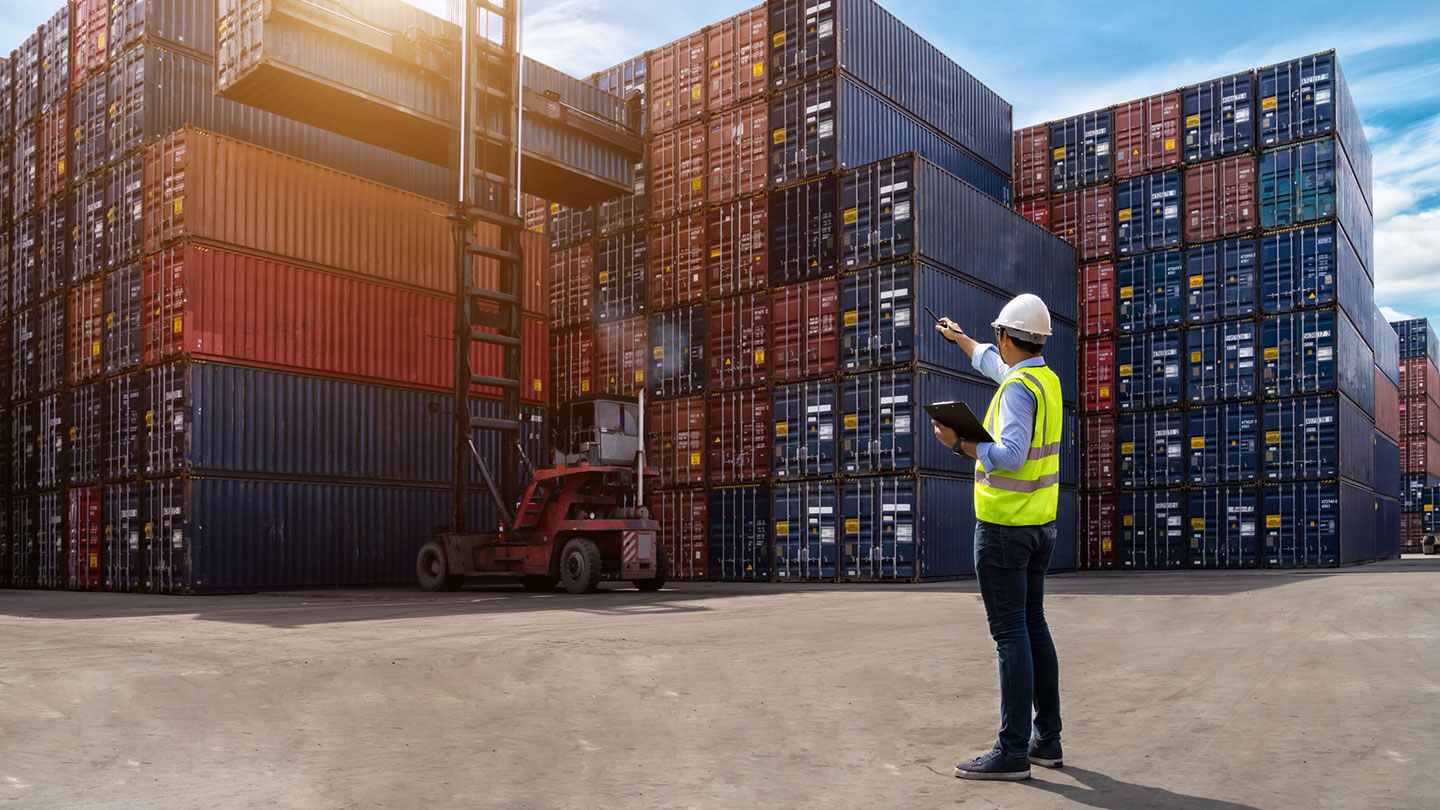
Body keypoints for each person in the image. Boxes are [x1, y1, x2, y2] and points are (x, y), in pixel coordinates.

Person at [931, 293, 1064, 782]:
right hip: (1039, 527)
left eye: (997, 336)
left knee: (1011, 636)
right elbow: (995, 366)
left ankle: (1012, 751)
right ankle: (1047, 740)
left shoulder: (1016, 390)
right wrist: (961, 338)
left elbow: (1007, 454)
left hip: (1004, 529)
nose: (996, 343)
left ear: (1008, 336)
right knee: (1033, 628)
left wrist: (960, 443)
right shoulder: (1042, 380)